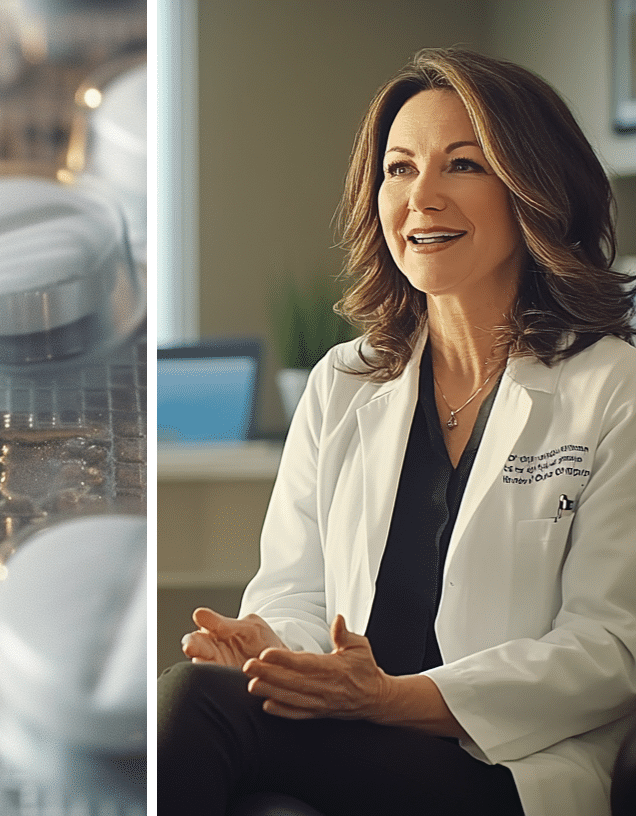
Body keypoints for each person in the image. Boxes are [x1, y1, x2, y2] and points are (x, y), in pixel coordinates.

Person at [158, 47, 636, 816]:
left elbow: (611, 650)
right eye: (400, 168)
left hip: (508, 766)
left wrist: (391, 699)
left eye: (463, 166)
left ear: (533, 190)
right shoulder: (344, 381)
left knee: (194, 710)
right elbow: (296, 590)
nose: (422, 198)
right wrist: (269, 648)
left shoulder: (613, 387)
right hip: (355, 744)